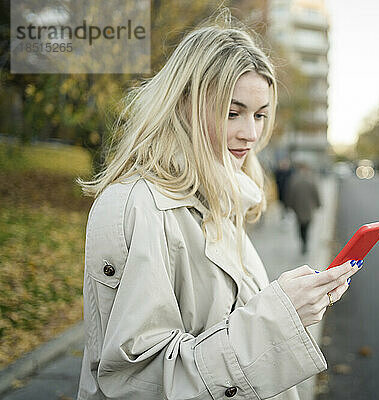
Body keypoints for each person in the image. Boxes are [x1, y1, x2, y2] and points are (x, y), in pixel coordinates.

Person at [75, 14, 361, 400]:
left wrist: (294, 306)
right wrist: (274, 321)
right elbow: (134, 384)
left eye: (260, 115)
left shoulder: (223, 202)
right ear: (184, 105)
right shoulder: (135, 206)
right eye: (232, 112)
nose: (252, 134)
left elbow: (225, 327)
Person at [285, 162, 321, 254]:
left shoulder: (294, 180)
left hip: (298, 208)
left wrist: (289, 205)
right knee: (307, 226)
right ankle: (305, 242)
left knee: (300, 227)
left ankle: (303, 242)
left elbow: (290, 194)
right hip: (309, 208)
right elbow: (316, 193)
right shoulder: (311, 180)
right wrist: (318, 204)